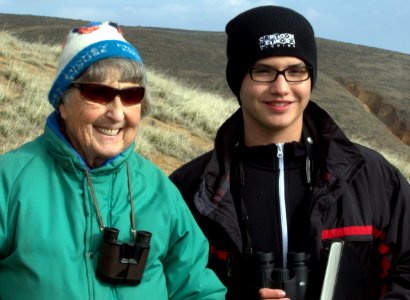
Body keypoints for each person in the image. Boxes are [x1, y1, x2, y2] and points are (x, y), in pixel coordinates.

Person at [170, 6, 410, 300]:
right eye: (263, 71)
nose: (281, 87)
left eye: (296, 71)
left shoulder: (372, 177)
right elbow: (172, 285)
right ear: (238, 80)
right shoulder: (190, 189)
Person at [0, 21, 226, 300]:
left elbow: (196, 290)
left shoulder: (159, 190)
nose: (117, 114)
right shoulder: (8, 183)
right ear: (62, 102)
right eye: (99, 93)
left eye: (131, 95)